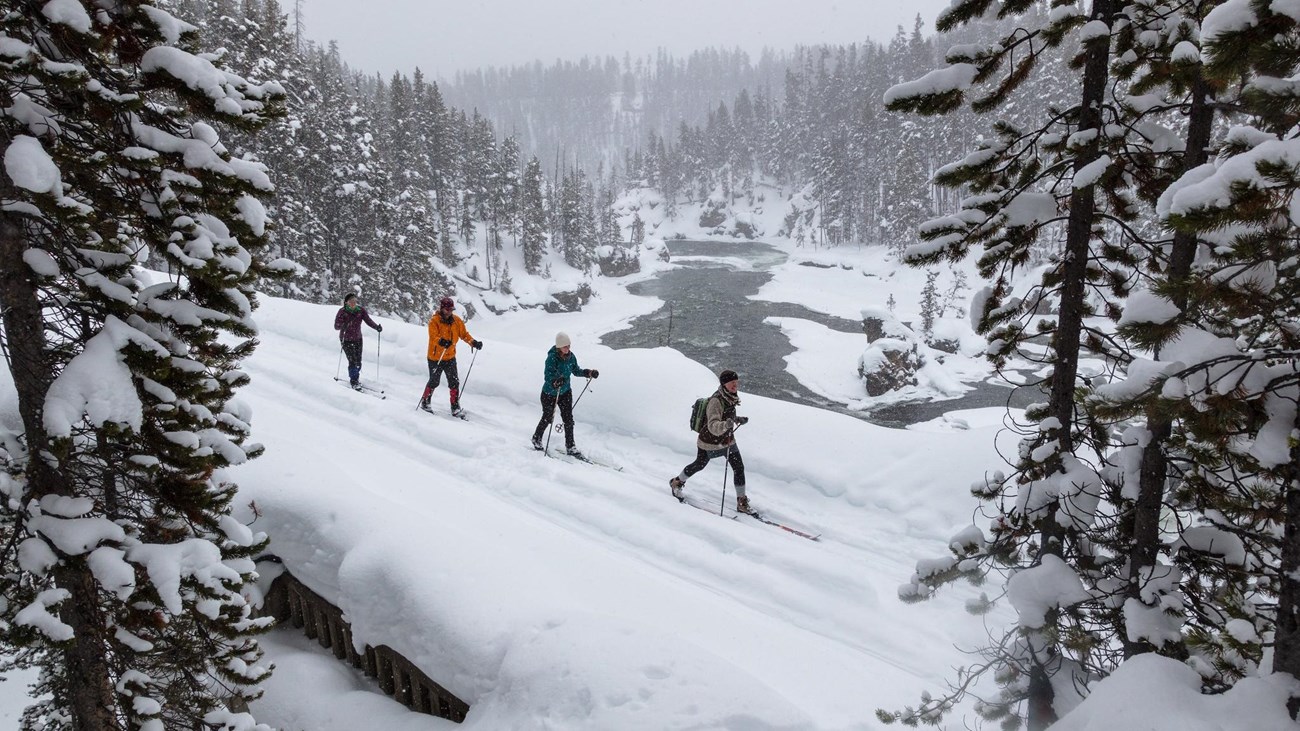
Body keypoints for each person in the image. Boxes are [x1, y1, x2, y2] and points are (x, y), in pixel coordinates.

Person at [670, 369, 754, 514]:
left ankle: (741, 501)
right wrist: (726, 424)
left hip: (727, 440)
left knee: (739, 468)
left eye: (736, 383)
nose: (735, 386)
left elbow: (726, 417)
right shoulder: (716, 401)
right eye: (732, 383)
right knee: (699, 465)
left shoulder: (730, 397)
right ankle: (677, 482)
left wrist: (737, 420)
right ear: (724, 384)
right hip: (709, 441)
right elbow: (713, 426)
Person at [531, 332, 599, 458]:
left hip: (565, 392)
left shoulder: (571, 357)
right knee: (547, 417)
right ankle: (536, 438)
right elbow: (548, 375)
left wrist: (588, 373)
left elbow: (576, 370)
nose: (568, 349)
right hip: (550, 393)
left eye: (569, 346)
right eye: (565, 347)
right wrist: (555, 381)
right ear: (559, 347)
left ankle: (571, 447)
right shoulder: (551, 358)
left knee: (568, 420)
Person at [419, 296, 481, 416]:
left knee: (454, 382)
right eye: (447, 309)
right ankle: (425, 402)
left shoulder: (456, 321)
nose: (449, 312)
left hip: (450, 357)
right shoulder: (434, 321)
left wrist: (473, 342)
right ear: (442, 308)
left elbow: (464, 334)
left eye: (451, 309)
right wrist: (441, 341)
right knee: (434, 381)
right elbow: (433, 337)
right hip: (435, 357)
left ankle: (455, 407)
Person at [334, 293, 382, 389]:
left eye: (355, 301)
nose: (353, 303)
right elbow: (336, 327)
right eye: (351, 301)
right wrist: (344, 324)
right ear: (346, 302)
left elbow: (368, 321)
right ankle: (354, 381)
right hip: (346, 339)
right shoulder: (342, 312)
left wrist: (377, 327)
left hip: (358, 339)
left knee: (358, 361)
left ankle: (356, 377)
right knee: (352, 361)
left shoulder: (360, 311)